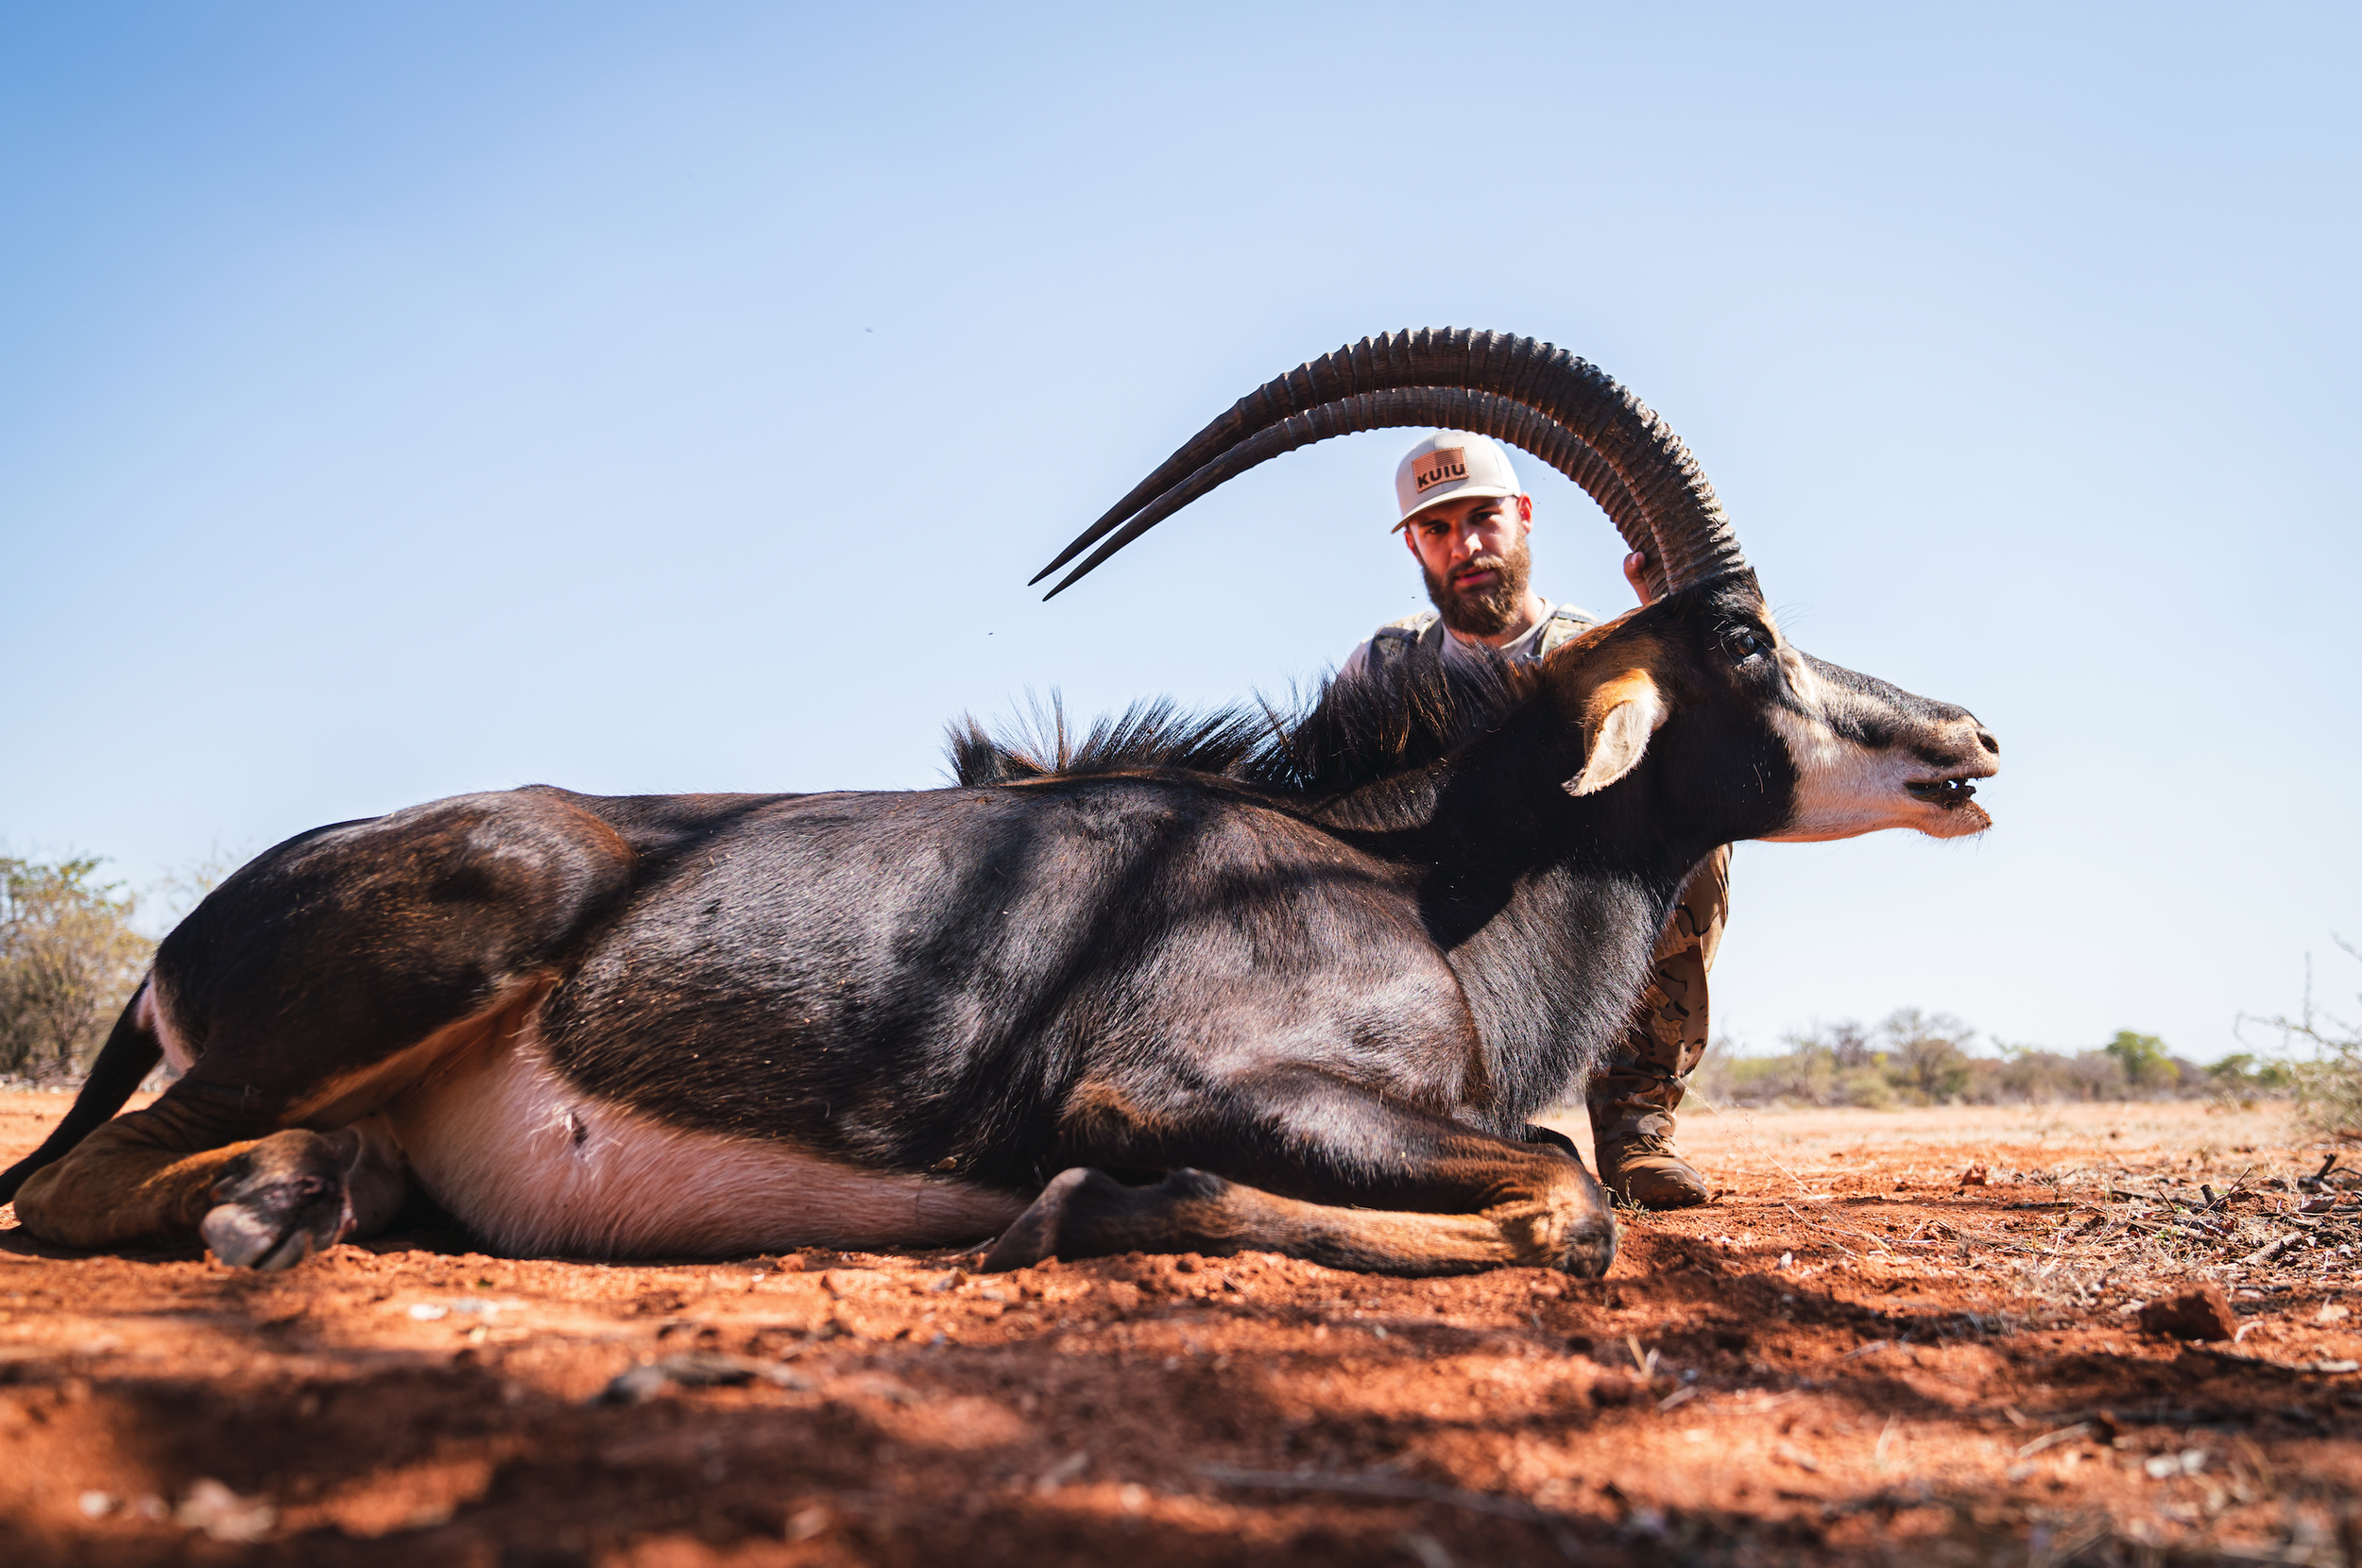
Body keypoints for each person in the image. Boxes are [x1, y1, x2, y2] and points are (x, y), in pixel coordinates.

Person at [1338, 431, 1728, 1209]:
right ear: (1413, 543)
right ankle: (1444, 1116)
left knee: (1693, 833)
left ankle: (1635, 1129)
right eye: (1437, 529)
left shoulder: (1597, 652)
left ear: (1522, 515)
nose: (1466, 546)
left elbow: (1714, 745)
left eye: (1483, 517)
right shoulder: (1381, 668)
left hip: (1564, 922)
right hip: (1431, 933)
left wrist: (1678, 637)